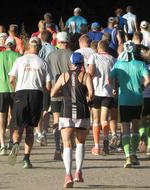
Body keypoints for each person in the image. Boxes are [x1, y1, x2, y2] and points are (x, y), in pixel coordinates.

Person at [8, 37, 52, 169]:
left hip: (20, 92)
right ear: (40, 48)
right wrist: (41, 89)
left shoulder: (20, 60)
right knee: (30, 129)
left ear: (28, 46)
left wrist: (16, 88)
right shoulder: (43, 63)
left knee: (18, 126)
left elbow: (11, 79)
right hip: (35, 94)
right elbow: (48, 85)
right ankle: (26, 159)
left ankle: (16, 143)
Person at [51, 52, 93, 188]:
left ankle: (68, 174)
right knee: (80, 143)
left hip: (66, 112)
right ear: (82, 64)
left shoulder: (64, 75)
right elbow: (91, 93)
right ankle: (78, 172)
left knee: (67, 144)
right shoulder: (86, 76)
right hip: (82, 112)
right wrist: (86, 98)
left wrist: (63, 94)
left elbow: (52, 93)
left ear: (70, 63)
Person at [110, 41, 150, 168]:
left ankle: (127, 156)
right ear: (134, 51)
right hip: (137, 99)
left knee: (125, 128)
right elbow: (148, 80)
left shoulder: (118, 64)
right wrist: (141, 88)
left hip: (124, 100)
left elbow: (109, 79)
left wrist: (114, 88)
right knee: (135, 127)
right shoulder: (141, 64)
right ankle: (134, 153)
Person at [46, 32, 73, 160]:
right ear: (68, 41)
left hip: (55, 91)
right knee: (68, 121)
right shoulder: (73, 54)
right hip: (70, 92)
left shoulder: (51, 56)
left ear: (58, 41)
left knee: (56, 120)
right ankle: (65, 146)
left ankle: (57, 149)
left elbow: (47, 74)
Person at [87, 40, 116, 156]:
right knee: (104, 119)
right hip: (108, 92)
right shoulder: (113, 59)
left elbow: (91, 71)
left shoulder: (93, 56)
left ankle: (96, 146)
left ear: (98, 48)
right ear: (107, 48)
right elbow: (115, 76)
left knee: (95, 120)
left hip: (96, 91)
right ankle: (105, 139)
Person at [0, 37, 20, 155]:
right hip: (15, 89)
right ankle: (13, 143)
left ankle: (3, 146)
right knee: (13, 118)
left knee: (1, 118)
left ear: (5, 45)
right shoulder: (18, 56)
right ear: (14, 46)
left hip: (2, 89)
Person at [35, 30, 57, 146]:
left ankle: (39, 132)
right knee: (47, 107)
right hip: (53, 81)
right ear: (51, 39)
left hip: (40, 80)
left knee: (39, 107)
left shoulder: (40, 49)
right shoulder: (55, 49)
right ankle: (44, 130)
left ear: (42, 39)